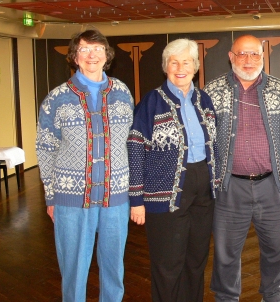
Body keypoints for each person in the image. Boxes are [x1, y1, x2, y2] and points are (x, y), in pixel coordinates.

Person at [204, 34, 280, 302]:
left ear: (263, 56)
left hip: (274, 185)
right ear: (231, 57)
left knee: (277, 248)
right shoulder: (212, 92)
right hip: (228, 188)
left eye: (254, 54)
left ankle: (273, 294)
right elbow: (203, 140)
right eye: (242, 54)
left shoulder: (279, 90)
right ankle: (226, 298)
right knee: (226, 253)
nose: (248, 60)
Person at [35, 29, 134, 302]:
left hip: (116, 196)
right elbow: (45, 149)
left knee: (114, 267)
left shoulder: (122, 92)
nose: (92, 55)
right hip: (72, 198)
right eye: (84, 49)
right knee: (74, 269)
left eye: (98, 49)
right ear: (75, 57)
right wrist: (51, 196)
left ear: (107, 55)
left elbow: (130, 141)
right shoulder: (57, 98)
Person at [127, 38, 217, 302]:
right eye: (174, 62)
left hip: (203, 190)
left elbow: (215, 146)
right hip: (164, 192)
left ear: (195, 67)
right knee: (168, 264)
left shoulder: (204, 100)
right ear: (165, 66)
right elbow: (135, 148)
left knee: (196, 260)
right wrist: (136, 200)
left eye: (186, 62)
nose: (180, 68)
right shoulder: (151, 102)